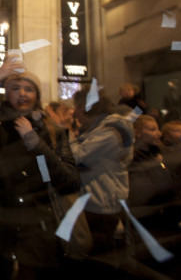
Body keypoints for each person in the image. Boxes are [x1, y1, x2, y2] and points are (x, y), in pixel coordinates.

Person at [0, 54, 80, 279]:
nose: (23, 94)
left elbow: (70, 181)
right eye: (16, 88)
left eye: (29, 88)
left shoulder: (53, 131)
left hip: (36, 227)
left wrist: (37, 145)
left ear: (37, 95)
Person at [70, 89, 134, 255]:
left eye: (75, 106)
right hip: (97, 200)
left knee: (102, 257)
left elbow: (76, 156)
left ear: (85, 108)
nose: (73, 111)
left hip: (102, 204)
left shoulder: (112, 131)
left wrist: (67, 134)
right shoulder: (98, 127)